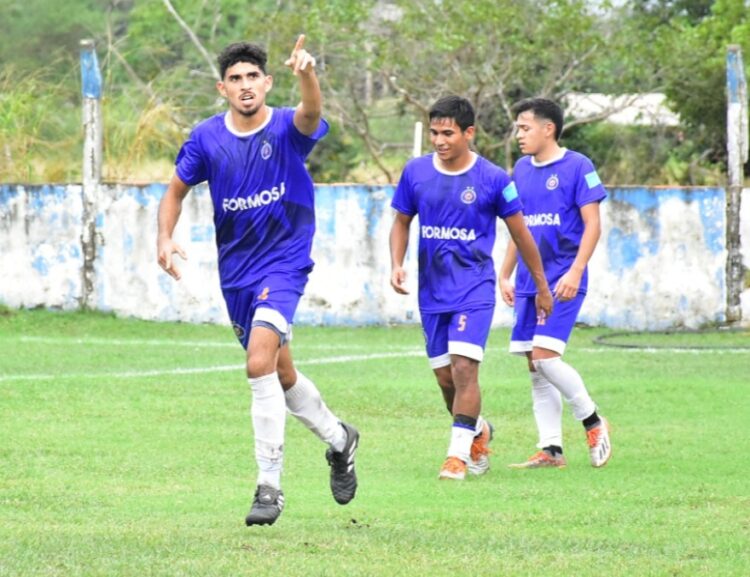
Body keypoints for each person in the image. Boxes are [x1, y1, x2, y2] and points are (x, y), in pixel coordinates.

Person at [157, 36, 359, 526]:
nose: (245, 86)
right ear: (222, 88)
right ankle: (340, 440)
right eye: (235, 79)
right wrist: (164, 237)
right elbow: (176, 190)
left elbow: (312, 113)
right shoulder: (206, 138)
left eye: (253, 77)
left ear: (268, 83)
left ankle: (269, 487)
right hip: (238, 275)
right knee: (281, 374)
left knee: (257, 363)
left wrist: (308, 74)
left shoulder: (288, 126)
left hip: (284, 264)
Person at [389, 95, 554, 481]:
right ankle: (477, 431)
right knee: (446, 379)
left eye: (448, 133)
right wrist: (396, 263)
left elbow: (522, 235)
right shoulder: (415, 173)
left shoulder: (494, 179)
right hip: (432, 292)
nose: (440, 140)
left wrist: (541, 285)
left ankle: (457, 456)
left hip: (474, 289)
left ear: (468, 133)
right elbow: (401, 221)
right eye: (434, 132)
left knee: (465, 369)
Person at [499, 97, 611, 469]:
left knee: (546, 357)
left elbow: (593, 224)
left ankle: (593, 420)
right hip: (529, 282)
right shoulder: (520, 169)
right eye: (518, 128)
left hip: (563, 278)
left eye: (525, 127)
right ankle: (551, 450)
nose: (519, 134)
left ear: (549, 129)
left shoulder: (578, 166)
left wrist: (577, 269)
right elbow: (520, 228)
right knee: (535, 365)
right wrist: (504, 273)